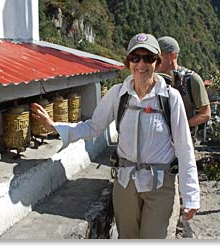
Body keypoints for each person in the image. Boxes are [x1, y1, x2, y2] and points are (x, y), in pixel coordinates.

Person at [30, 33, 200, 239]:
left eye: (148, 58)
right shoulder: (118, 94)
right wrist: (55, 127)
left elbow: (184, 148)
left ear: (158, 61)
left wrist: (190, 195)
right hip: (125, 182)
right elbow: (93, 127)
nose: (141, 64)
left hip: (159, 185)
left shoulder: (170, 98)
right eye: (135, 58)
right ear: (128, 62)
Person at [156, 36, 211, 140]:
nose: (155, 61)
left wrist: (180, 126)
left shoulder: (192, 79)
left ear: (172, 56)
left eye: (160, 56)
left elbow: (205, 114)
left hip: (182, 139)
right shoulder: (154, 79)